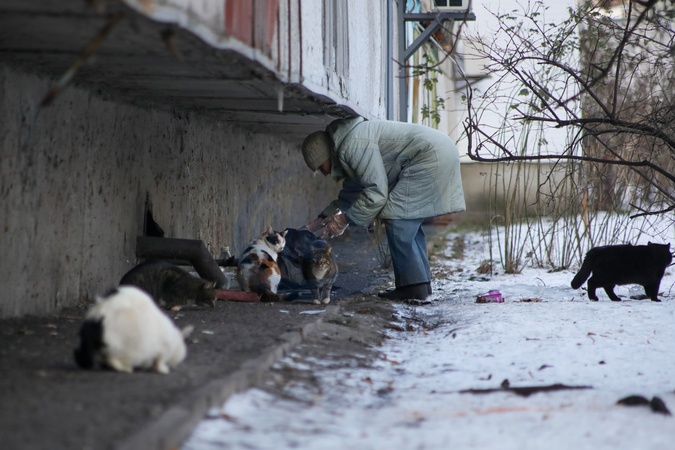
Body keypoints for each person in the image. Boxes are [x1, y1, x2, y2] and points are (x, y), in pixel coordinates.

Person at [301, 116, 465, 301]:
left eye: (320, 166)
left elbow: (376, 192)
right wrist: (314, 224)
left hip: (429, 155)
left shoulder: (352, 146)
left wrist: (344, 219)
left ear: (324, 155)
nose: (323, 172)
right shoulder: (350, 143)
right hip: (437, 150)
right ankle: (420, 285)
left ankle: (413, 288)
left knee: (398, 218)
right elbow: (353, 192)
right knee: (407, 223)